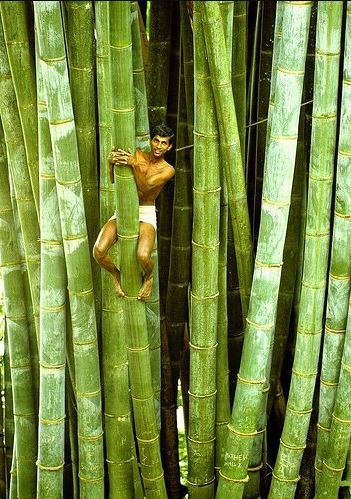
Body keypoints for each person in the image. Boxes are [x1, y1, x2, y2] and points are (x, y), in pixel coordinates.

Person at [93, 125, 175, 300]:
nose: (158, 146)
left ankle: (149, 277)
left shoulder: (167, 170)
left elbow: (145, 188)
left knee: (143, 256)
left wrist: (134, 164)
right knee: (98, 251)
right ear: (151, 141)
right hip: (124, 208)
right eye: (156, 141)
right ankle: (116, 275)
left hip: (145, 211)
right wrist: (110, 163)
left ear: (169, 147)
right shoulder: (137, 154)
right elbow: (114, 180)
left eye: (164, 143)